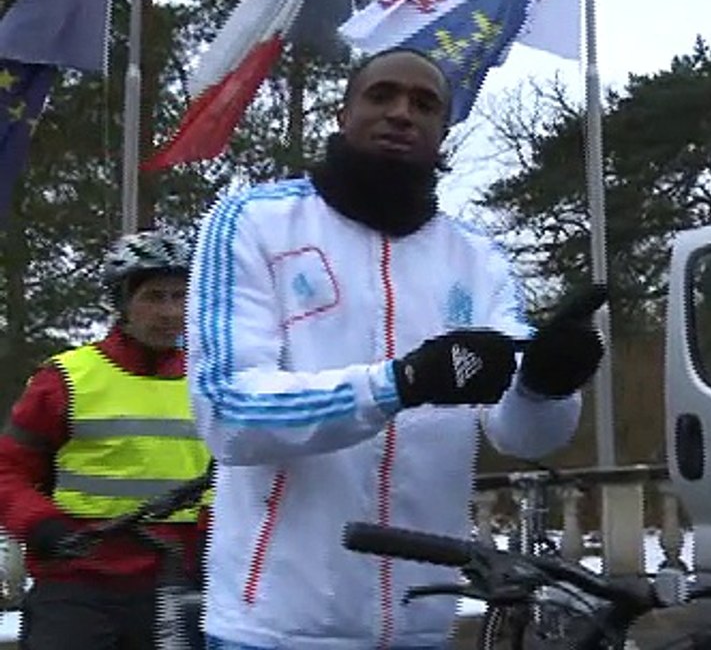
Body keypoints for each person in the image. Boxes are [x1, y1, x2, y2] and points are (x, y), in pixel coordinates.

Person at [187, 47, 603, 649]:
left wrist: (546, 389)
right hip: (275, 628)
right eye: (381, 95)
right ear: (342, 114)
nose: (402, 113)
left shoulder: (477, 258)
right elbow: (228, 413)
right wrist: (397, 384)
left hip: (421, 624)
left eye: (425, 104)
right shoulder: (253, 222)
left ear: (443, 132)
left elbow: (521, 436)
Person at [0, 229, 212, 649]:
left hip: (177, 581)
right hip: (79, 579)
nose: (170, 312)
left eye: (180, 296)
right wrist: (41, 524)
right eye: (154, 297)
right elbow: (8, 469)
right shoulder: (65, 379)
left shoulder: (210, 380)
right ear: (121, 303)